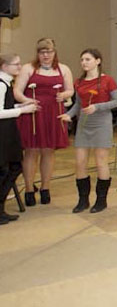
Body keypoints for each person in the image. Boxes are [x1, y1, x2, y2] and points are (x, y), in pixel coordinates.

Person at [59, 49, 117, 214]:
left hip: (102, 123)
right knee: (80, 162)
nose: (84, 63)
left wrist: (97, 107)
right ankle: (83, 200)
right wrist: (69, 115)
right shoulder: (79, 82)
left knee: (101, 162)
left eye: (87, 59)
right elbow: (78, 105)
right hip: (84, 124)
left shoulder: (107, 80)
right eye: (82, 60)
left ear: (97, 61)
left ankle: (101, 200)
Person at [14, 38, 74, 207]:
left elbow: (70, 90)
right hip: (33, 114)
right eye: (42, 52)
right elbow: (17, 91)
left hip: (53, 114)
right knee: (31, 151)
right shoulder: (28, 68)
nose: (46, 55)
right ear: (37, 53)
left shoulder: (64, 69)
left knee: (48, 151)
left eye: (49, 52)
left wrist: (64, 95)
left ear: (54, 52)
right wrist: (27, 101)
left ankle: (45, 188)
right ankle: (28, 189)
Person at [0, 54, 37, 225]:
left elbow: (6, 107)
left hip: (8, 132)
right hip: (3, 134)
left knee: (14, 167)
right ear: (4, 66)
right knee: (6, 170)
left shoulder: (7, 83)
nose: (19, 67)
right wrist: (22, 111)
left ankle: (1, 207)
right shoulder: (1, 84)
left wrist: (19, 106)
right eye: (16, 64)